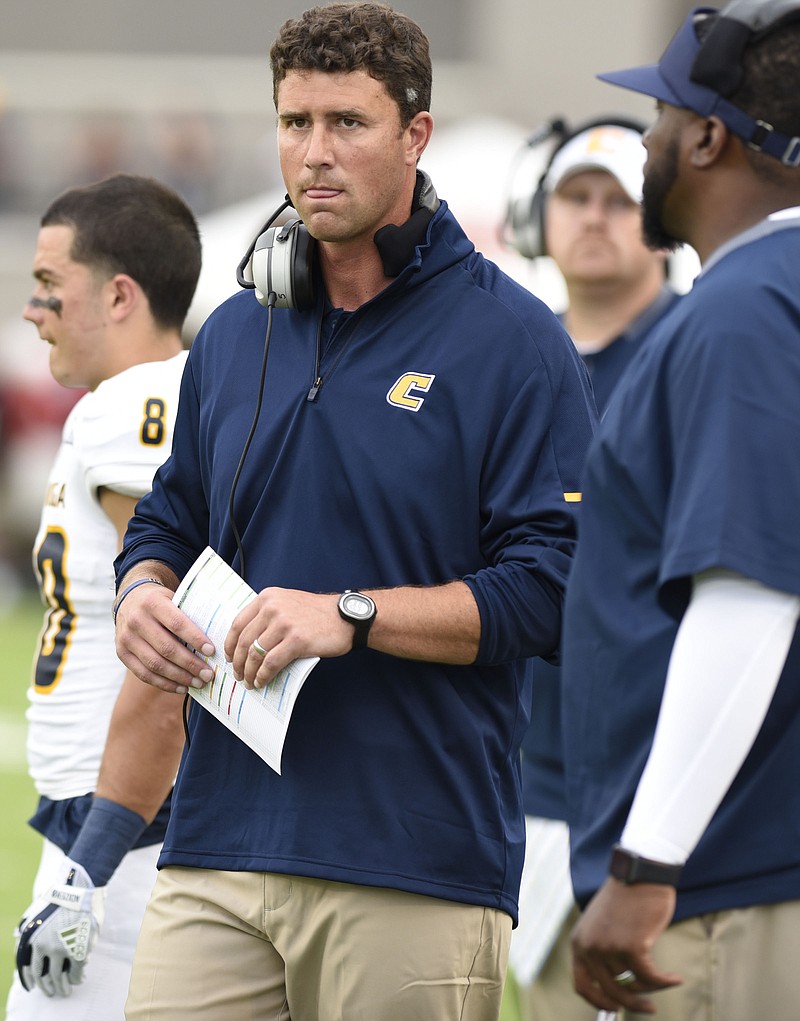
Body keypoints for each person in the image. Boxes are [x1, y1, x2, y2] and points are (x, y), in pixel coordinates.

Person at [112, 4, 598, 1020]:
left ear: (414, 136)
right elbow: (172, 514)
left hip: (412, 857)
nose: (313, 153)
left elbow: (553, 589)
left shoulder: (511, 340)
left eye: (347, 123)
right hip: (214, 847)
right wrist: (141, 590)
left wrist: (352, 612)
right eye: (294, 123)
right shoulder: (237, 326)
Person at [559, 3, 800, 1019]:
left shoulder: (744, 308)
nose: (647, 140)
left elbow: (748, 593)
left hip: (724, 877)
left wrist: (645, 862)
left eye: (658, 115)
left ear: (706, 134)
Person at [7, 173, 201, 1020]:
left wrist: (91, 864)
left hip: (125, 821)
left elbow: (169, 647)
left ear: (120, 295)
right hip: (121, 813)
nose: (32, 310)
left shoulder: (135, 404)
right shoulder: (143, 399)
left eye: (52, 288)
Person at [502, 118, 681, 1021]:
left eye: (622, 199)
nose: (597, 217)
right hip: (525, 781)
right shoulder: (511, 363)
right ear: (538, 215)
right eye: (577, 195)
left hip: (671, 789)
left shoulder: (697, 354)